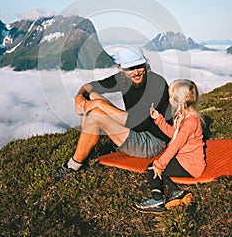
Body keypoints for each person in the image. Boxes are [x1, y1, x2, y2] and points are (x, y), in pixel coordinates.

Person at [54, 46, 172, 181]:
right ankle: (88, 145)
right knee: (91, 95)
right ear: (121, 69)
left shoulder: (157, 84)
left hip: (152, 141)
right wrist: (79, 96)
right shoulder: (123, 79)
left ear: (145, 64)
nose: (136, 72)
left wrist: (100, 105)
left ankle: (73, 166)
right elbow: (90, 86)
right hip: (134, 128)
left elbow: (138, 123)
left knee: (96, 114)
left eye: (139, 66)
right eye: (130, 68)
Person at [134, 79, 206, 213]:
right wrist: (158, 119)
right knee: (160, 170)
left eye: (171, 96)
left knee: (152, 169)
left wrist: (159, 164)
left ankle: (156, 200)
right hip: (186, 160)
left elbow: (176, 145)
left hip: (190, 165)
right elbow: (174, 135)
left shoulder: (191, 121)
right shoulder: (185, 116)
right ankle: (176, 192)